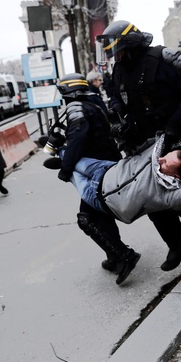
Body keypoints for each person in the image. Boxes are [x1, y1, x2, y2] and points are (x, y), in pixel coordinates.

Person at [97, 20, 181, 277]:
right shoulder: (119, 69)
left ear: (130, 44)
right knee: (148, 196)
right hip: (142, 143)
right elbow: (117, 95)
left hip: (175, 139)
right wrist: (118, 114)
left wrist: (174, 122)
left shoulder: (165, 58)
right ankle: (178, 244)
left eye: (118, 50)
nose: (115, 56)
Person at [44, 73, 141, 286]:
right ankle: (115, 256)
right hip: (108, 164)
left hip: (97, 171)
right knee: (100, 215)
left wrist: (65, 168)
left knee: (86, 218)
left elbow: (78, 140)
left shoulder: (76, 108)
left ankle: (125, 255)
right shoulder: (93, 103)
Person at [46, 132, 181, 225]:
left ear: (176, 175)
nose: (159, 159)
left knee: (71, 174)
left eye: (164, 163)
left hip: (101, 198)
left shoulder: (170, 195)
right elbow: (161, 137)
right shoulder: (160, 151)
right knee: (72, 159)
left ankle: (64, 165)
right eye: (165, 156)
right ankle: (60, 152)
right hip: (107, 171)